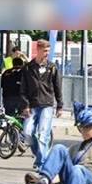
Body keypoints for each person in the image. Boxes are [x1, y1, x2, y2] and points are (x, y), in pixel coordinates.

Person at [20, 39, 63, 171]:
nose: (47, 53)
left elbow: (57, 87)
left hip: (47, 104)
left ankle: (42, 163)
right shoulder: (28, 67)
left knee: (43, 134)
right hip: (32, 104)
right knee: (27, 132)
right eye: (45, 51)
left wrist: (60, 105)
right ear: (38, 50)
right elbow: (23, 89)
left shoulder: (52, 67)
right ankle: (38, 155)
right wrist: (25, 105)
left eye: (48, 51)